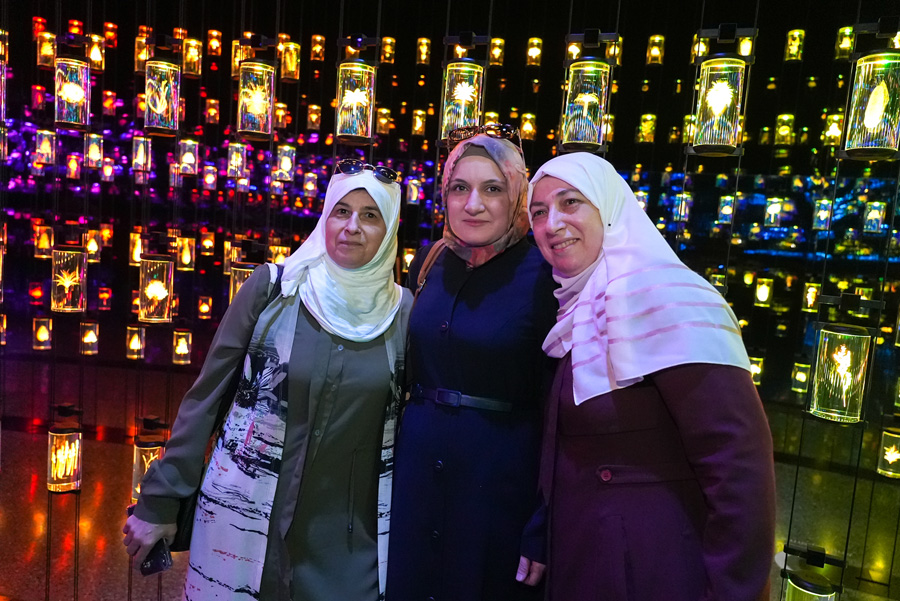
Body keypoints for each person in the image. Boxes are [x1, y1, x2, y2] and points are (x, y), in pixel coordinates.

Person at [123, 164, 413, 601]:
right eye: (341, 211)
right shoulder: (275, 289)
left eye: (370, 215)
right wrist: (161, 500)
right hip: (246, 517)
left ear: (390, 229)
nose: (352, 226)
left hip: (349, 540)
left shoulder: (403, 315)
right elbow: (206, 398)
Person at [525, 152, 776, 601]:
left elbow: (739, 466)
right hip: (587, 559)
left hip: (654, 569)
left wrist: (734, 591)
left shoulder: (667, 293)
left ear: (610, 207)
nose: (552, 223)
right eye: (539, 212)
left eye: (570, 202)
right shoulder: (574, 308)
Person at [386, 128, 558, 601]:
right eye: (460, 187)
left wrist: (542, 524)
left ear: (517, 195)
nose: (473, 204)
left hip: (497, 483)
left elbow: (559, 410)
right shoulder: (429, 261)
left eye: (493, 188)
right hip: (416, 477)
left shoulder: (544, 275)